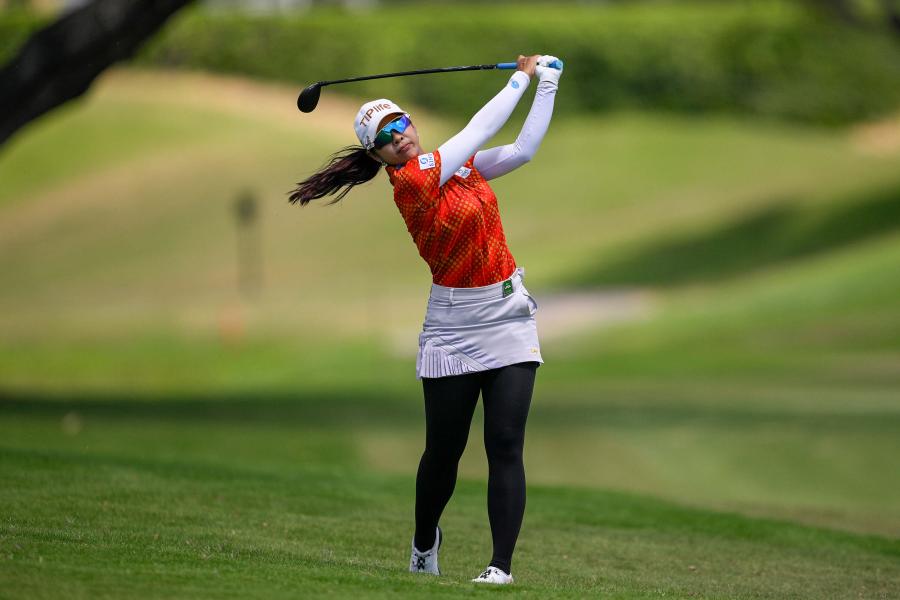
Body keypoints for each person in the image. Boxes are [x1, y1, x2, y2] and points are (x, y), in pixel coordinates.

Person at [289, 54, 562, 585]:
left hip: (508, 313)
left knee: (506, 443)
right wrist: (522, 76)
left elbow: (522, 150)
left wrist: (547, 84)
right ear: (378, 155)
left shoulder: (458, 166)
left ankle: (500, 567)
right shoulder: (412, 182)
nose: (398, 137)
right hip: (453, 327)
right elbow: (479, 128)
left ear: (411, 122)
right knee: (444, 452)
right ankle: (423, 543)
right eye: (385, 138)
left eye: (400, 124)